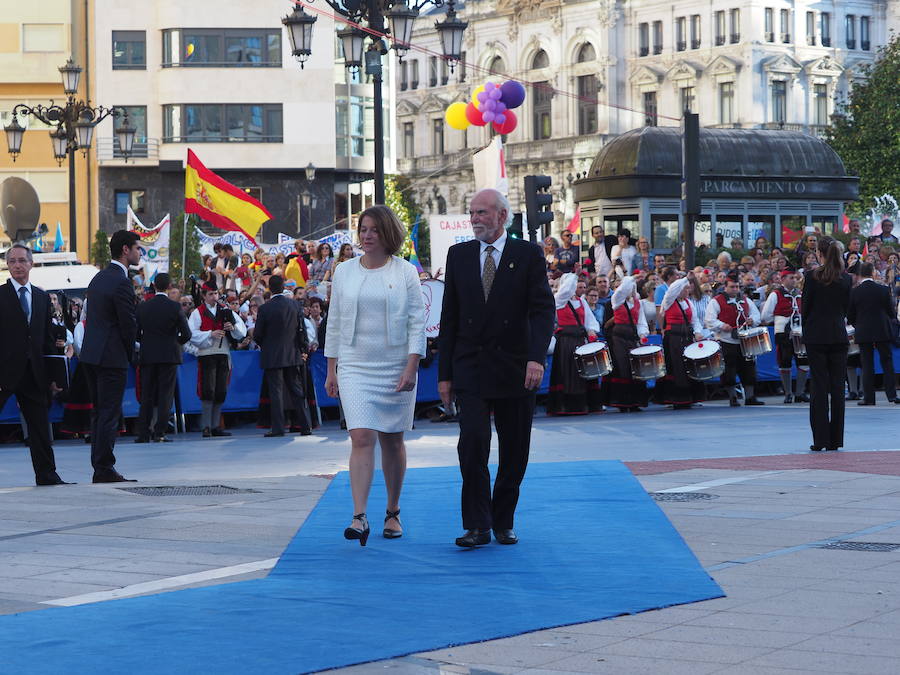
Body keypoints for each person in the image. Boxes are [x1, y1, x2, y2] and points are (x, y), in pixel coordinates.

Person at [438, 188, 554, 548]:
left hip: (517, 367)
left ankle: (503, 519)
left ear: (502, 216)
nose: (474, 219)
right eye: (472, 213)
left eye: (482, 213)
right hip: (471, 367)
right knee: (471, 444)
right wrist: (445, 375)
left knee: (515, 448)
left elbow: (543, 310)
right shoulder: (458, 255)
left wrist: (536, 358)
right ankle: (477, 524)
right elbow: (449, 318)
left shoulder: (528, 254)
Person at [325, 205, 425, 546]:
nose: (366, 236)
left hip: (395, 364)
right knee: (361, 437)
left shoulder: (406, 272)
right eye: (363, 229)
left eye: (373, 230)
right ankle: (359, 515)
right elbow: (334, 322)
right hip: (354, 365)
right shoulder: (344, 271)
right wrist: (331, 369)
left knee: (393, 440)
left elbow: (416, 321)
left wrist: (412, 365)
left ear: (387, 234)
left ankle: (393, 512)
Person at [0, 244, 70, 486]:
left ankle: (47, 474)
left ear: (31, 264)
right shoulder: (0, 295)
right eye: (12, 261)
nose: (17, 265)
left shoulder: (41, 297)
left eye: (21, 260)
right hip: (4, 372)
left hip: (34, 373)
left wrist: (54, 376)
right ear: (8, 265)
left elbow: (48, 338)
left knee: (40, 426)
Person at [80, 230, 141, 483]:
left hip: (92, 355)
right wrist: (131, 355)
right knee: (109, 413)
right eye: (137, 248)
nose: (140, 252)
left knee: (99, 414)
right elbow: (128, 324)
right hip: (110, 356)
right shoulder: (121, 282)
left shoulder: (98, 278)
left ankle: (100, 466)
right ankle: (104, 468)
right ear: (125, 250)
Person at [802, 237, 853, 451]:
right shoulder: (846, 279)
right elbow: (847, 308)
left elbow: (806, 307)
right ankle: (836, 440)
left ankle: (821, 439)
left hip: (816, 336)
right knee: (838, 388)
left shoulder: (812, 277)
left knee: (819, 387)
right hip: (838, 335)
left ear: (819, 254)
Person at [134, 273, 191, 443]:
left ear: (154, 285)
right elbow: (186, 333)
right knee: (165, 395)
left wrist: (147, 343)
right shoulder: (174, 307)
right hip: (169, 355)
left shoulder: (143, 307)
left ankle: (143, 433)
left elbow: (136, 334)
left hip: (148, 355)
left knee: (147, 395)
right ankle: (159, 432)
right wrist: (175, 342)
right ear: (169, 286)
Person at [254, 274, 312, 436]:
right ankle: (305, 426)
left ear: (270, 289)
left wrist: (266, 344)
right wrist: (303, 350)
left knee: (276, 392)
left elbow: (258, 334)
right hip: (293, 353)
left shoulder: (265, 308)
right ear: (284, 287)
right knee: (296, 391)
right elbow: (302, 330)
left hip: (272, 355)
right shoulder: (294, 305)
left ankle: (279, 428)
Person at [188, 281, 247, 437]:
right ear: (204, 296)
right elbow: (191, 334)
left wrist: (232, 328)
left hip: (223, 353)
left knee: (221, 390)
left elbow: (242, 330)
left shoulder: (225, 310)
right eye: (211, 294)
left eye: (216, 294)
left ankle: (215, 426)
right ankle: (206, 426)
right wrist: (209, 334)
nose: (214, 297)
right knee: (208, 390)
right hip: (206, 354)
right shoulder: (197, 312)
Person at [705, 275, 764, 406]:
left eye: (737, 286)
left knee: (749, 369)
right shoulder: (716, 301)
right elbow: (709, 319)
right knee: (729, 371)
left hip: (745, 340)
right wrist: (721, 325)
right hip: (727, 341)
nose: (735, 289)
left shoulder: (745, 300)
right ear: (725, 287)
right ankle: (733, 397)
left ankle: (750, 397)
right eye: (732, 287)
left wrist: (752, 320)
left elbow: (756, 315)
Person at [547, 273, 601, 415]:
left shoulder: (582, 301)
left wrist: (591, 330)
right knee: (566, 372)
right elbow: (566, 289)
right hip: (565, 342)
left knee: (580, 372)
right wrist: (572, 276)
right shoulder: (559, 299)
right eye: (574, 283)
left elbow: (589, 320)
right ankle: (565, 406)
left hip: (579, 340)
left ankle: (581, 405)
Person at [848, 262, 898, 405]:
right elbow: (891, 311)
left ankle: (869, 398)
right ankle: (892, 395)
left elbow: (850, 314)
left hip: (863, 330)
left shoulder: (855, 292)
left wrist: (858, 325)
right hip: (882, 329)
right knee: (887, 362)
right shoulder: (883, 289)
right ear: (872, 273)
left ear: (859, 275)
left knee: (867, 364)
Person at [761, 270, 809, 403]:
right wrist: (781, 319)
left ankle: (799, 393)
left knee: (804, 362)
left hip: (799, 332)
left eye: (795, 278)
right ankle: (788, 393)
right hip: (783, 333)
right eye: (791, 278)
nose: (794, 280)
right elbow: (765, 315)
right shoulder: (775, 295)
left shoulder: (799, 294)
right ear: (783, 279)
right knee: (784, 361)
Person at [656, 276, 705, 408]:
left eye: (688, 288)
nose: (688, 291)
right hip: (673, 339)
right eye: (686, 288)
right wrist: (685, 278)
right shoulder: (669, 301)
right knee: (676, 367)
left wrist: (698, 332)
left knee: (688, 366)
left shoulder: (689, 303)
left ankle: (691, 397)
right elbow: (672, 290)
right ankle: (677, 398)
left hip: (687, 338)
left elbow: (695, 321)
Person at [606, 275, 650, 412]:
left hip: (633, 337)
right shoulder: (617, 300)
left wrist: (643, 334)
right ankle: (623, 403)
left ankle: (635, 401)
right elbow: (621, 291)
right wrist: (631, 278)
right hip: (619, 337)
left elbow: (641, 321)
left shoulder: (637, 303)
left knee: (635, 368)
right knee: (623, 367)